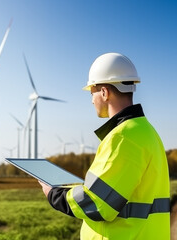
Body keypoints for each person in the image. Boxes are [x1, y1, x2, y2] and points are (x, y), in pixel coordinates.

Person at [39, 52, 170, 239]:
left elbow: (96, 203)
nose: (92, 100)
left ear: (104, 92)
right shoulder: (146, 131)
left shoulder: (123, 137)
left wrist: (53, 194)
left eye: (92, 93)